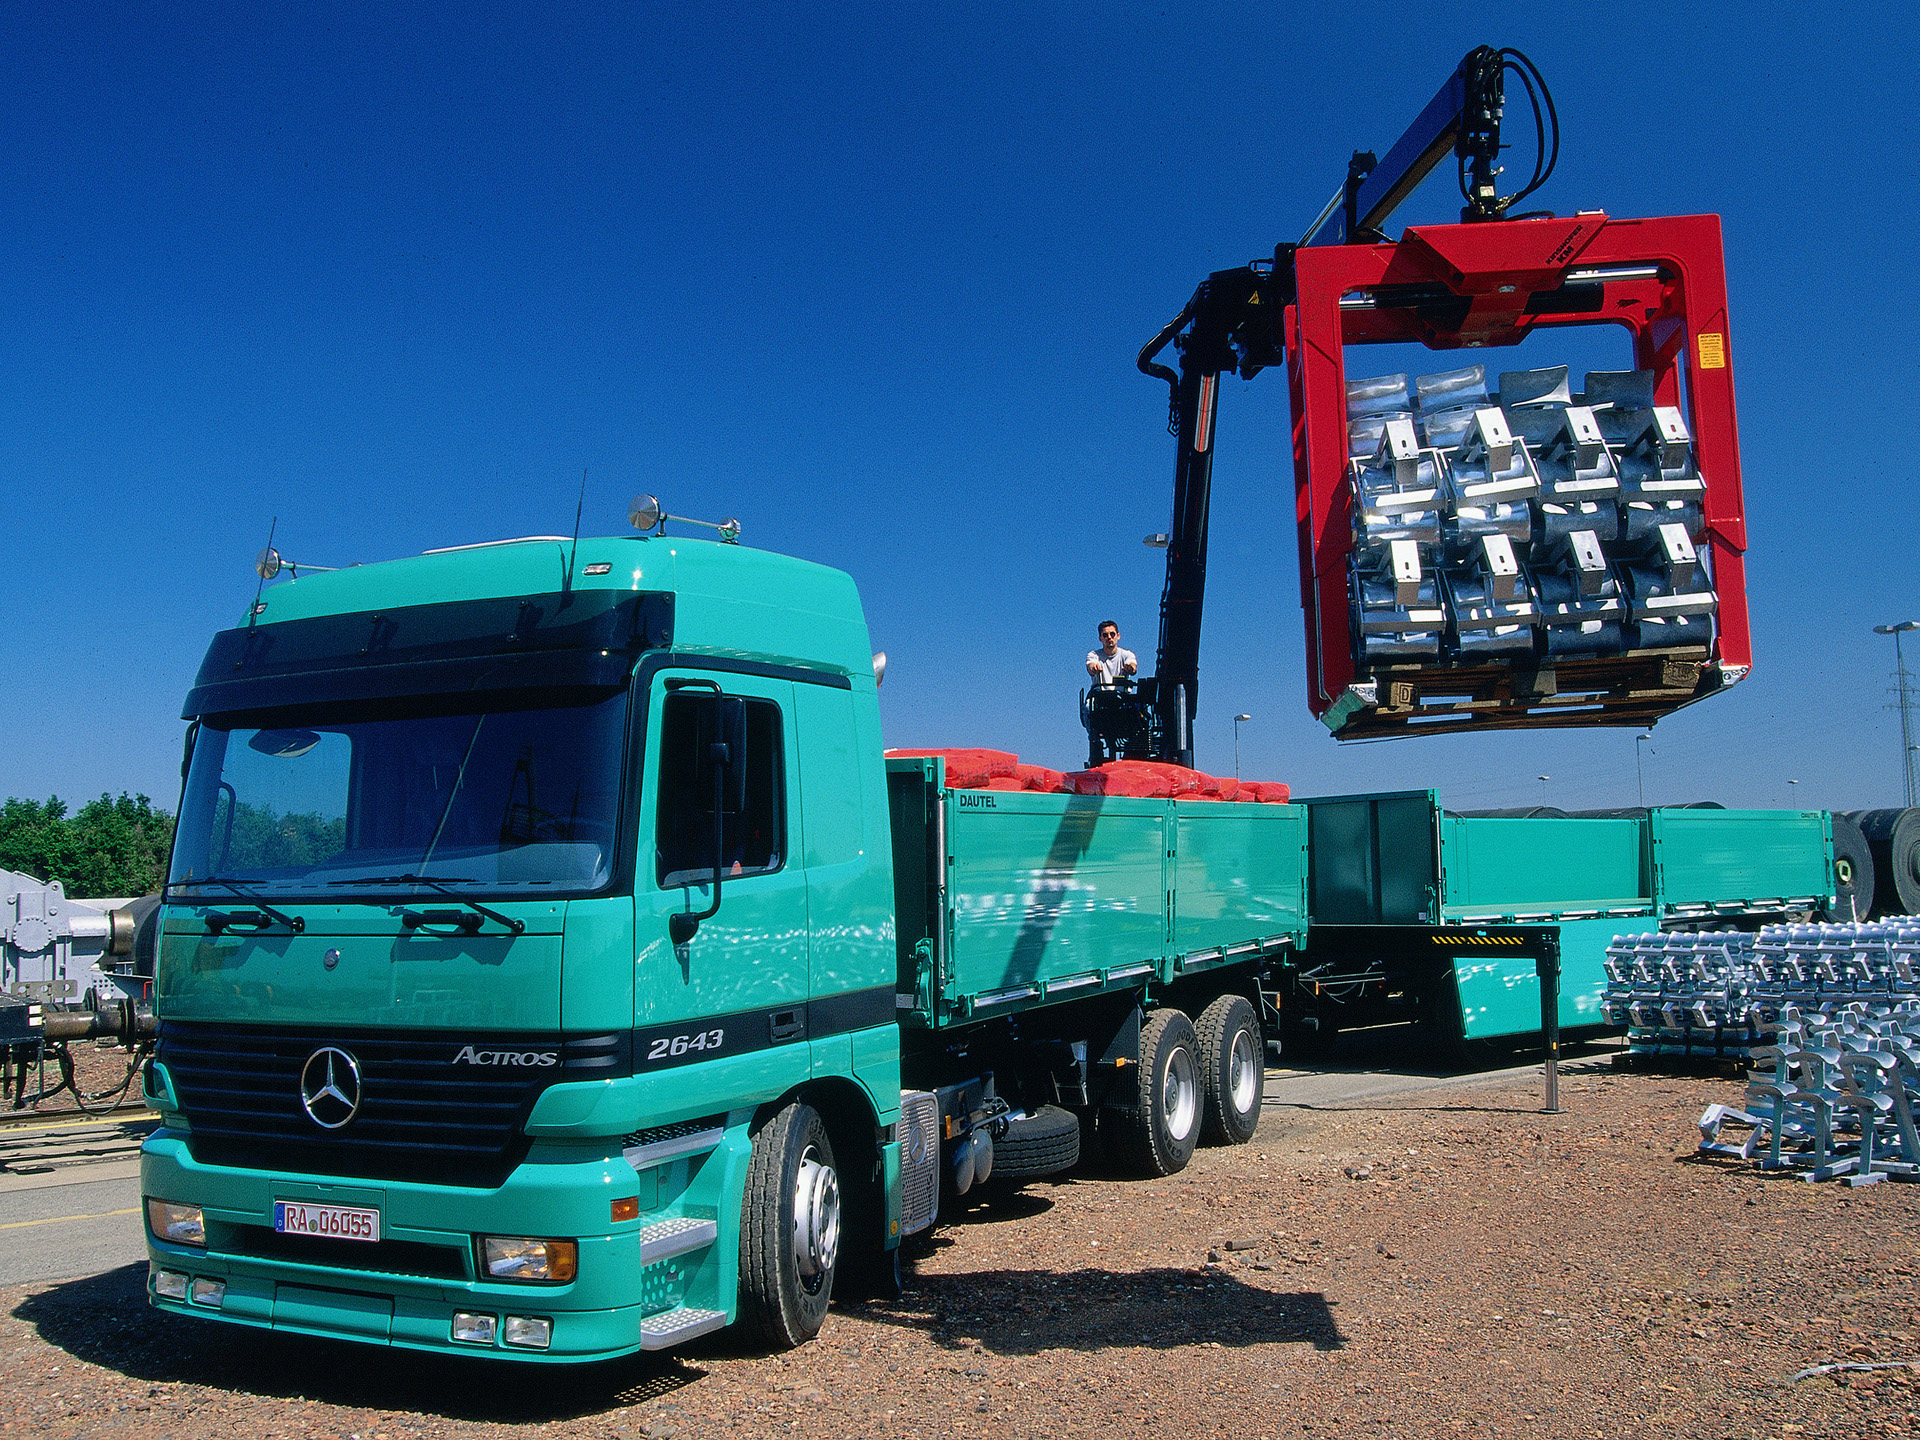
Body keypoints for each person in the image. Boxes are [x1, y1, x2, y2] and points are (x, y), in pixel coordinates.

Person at [1085, 620, 1137, 687]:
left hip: (1122, 695)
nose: (1109, 637)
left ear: (1118, 636)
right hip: (1099, 695)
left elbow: (1133, 666)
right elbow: (1091, 666)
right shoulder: (1093, 655)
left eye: (1112, 634)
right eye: (1105, 635)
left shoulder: (1127, 655)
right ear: (1100, 638)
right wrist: (1093, 668)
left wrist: (1130, 667)